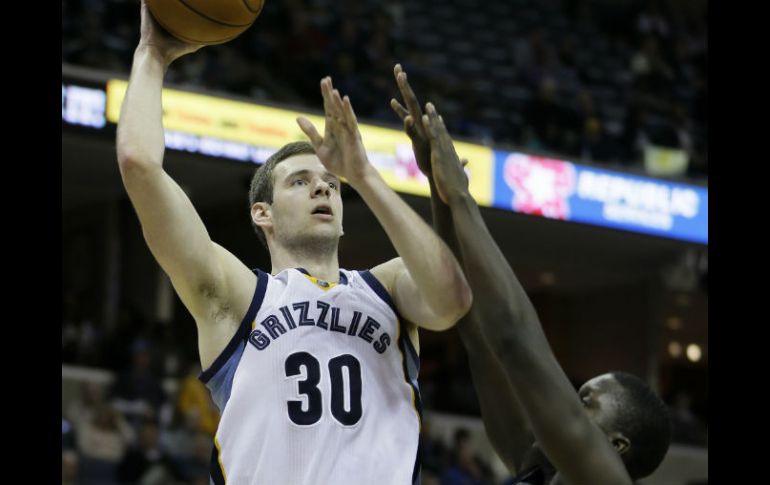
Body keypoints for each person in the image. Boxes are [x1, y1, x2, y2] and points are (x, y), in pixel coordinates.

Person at [115, 3, 472, 484]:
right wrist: (152, 54)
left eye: (331, 182)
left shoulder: (388, 289)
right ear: (261, 213)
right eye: (300, 182)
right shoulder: (238, 297)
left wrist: (364, 176)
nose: (323, 188)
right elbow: (140, 164)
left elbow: (453, 299)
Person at [390, 65, 671, 485]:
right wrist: (439, 186)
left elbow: (513, 340)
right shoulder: (536, 465)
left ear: (616, 447)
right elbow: (473, 328)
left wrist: (463, 197)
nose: (561, 406)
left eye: (584, 404)